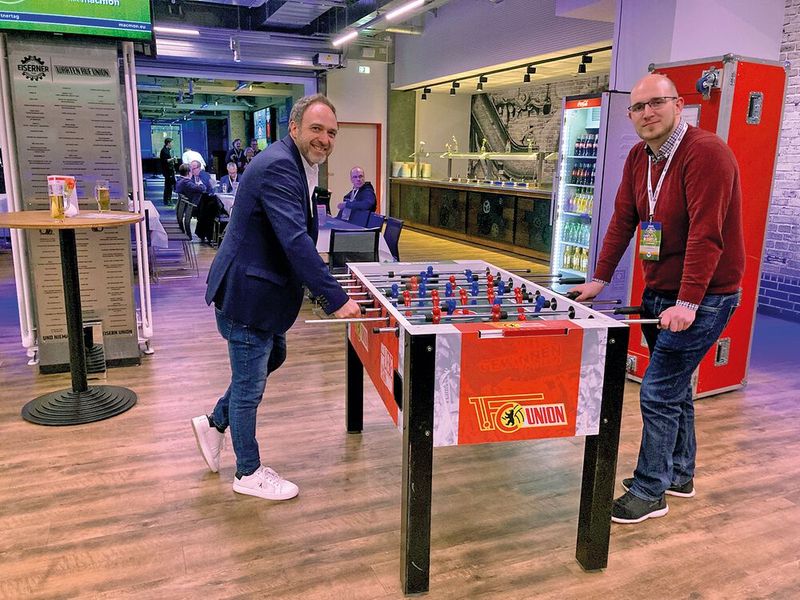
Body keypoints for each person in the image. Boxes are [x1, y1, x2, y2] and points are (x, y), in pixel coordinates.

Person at [569, 73, 744, 525]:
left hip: (705, 296)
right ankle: (679, 475)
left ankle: (650, 491)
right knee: (675, 389)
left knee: (658, 391)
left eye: (657, 103)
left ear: (678, 105)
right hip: (661, 290)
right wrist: (599, 279)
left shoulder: (706, 153)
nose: (647, 113)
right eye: (638, 107)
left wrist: (688, 302)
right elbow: (622, 220)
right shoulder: (638, 157)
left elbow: (707, 234)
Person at [193, 94, 362, 501]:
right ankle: (247, 472)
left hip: (260, 292)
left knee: (272, 358)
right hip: (248, 295)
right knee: (249, 387)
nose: (324, 139)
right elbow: (294, 240)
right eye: (317, 129)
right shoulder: (280, 166)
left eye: (332, 132)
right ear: (295, 127)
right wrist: (335, 297)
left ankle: (214, 422)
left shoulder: (294, 162)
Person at [159, 137, 177, 205]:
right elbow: (165, 161)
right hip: (167, 171)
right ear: (168, 143)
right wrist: (173, 159)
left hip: (170, 170)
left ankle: (168, 199)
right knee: (168, 186)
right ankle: (167, 200)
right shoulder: (164, 151)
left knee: (169, 185)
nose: (172, 144)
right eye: (172, 143)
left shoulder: (168, 150)